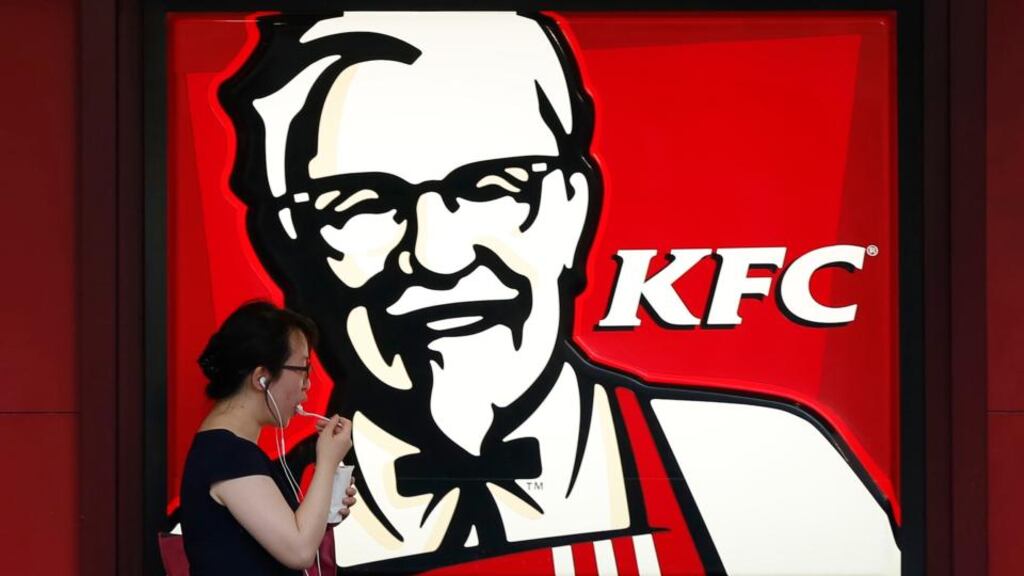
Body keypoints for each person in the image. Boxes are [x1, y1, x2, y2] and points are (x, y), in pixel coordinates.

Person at [218, 12, 901, 575]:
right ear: (290, 245)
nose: (438, 255)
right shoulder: (260, 507)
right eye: (362, 203)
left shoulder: (764, 466)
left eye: (494, 187)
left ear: (573, 210)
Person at [180, 301, 357, 575]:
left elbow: (286, 540)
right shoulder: (227, 454)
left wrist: (324, 507)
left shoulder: (232, 451)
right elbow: (299, 551)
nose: (308, 384)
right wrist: (326, 463)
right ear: (261, 378)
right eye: (303, 370)